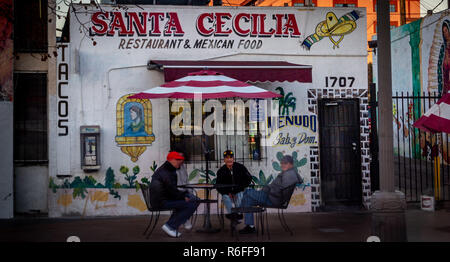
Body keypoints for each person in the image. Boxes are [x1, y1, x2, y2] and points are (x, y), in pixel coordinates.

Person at [238, 155, 303, 234]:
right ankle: (250, 227)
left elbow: (281, 189)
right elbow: (279, 187)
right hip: (270, 197)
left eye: (285, 163)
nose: (283, 165)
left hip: (271, 198)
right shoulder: (288, 172)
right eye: (282, 163)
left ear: (291, 164)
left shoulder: (289, 174)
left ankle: (238, 214)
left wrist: (269, 190)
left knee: (247, 191)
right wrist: (268, 188)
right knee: (248, 199)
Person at [150, 151, 199, 238]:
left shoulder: (169, 170)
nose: (180, 161)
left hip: (164, 198)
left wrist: (183, 195)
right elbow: (171, 191)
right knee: (192, 203)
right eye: (178, 159)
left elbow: (172, 190)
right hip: (161, 201)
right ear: (171, 160)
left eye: (181, 159)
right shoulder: (166, 172)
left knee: (194, 199)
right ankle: (170, 226)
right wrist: (183, 197)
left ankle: (174, 223)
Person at [216, 150, 252, 221]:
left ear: (233, 159)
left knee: (240, 195)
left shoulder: (240, 167)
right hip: (228, 194)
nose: (229, 159)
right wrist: (227, 193)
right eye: (227, 158)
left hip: (239, 191)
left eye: (231, 158)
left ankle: (237, 214)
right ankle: (234, 215)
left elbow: (249, 178)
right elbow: (218, 185)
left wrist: (239, 189)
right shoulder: (221, 171)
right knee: (225, 197)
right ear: (224, 160)